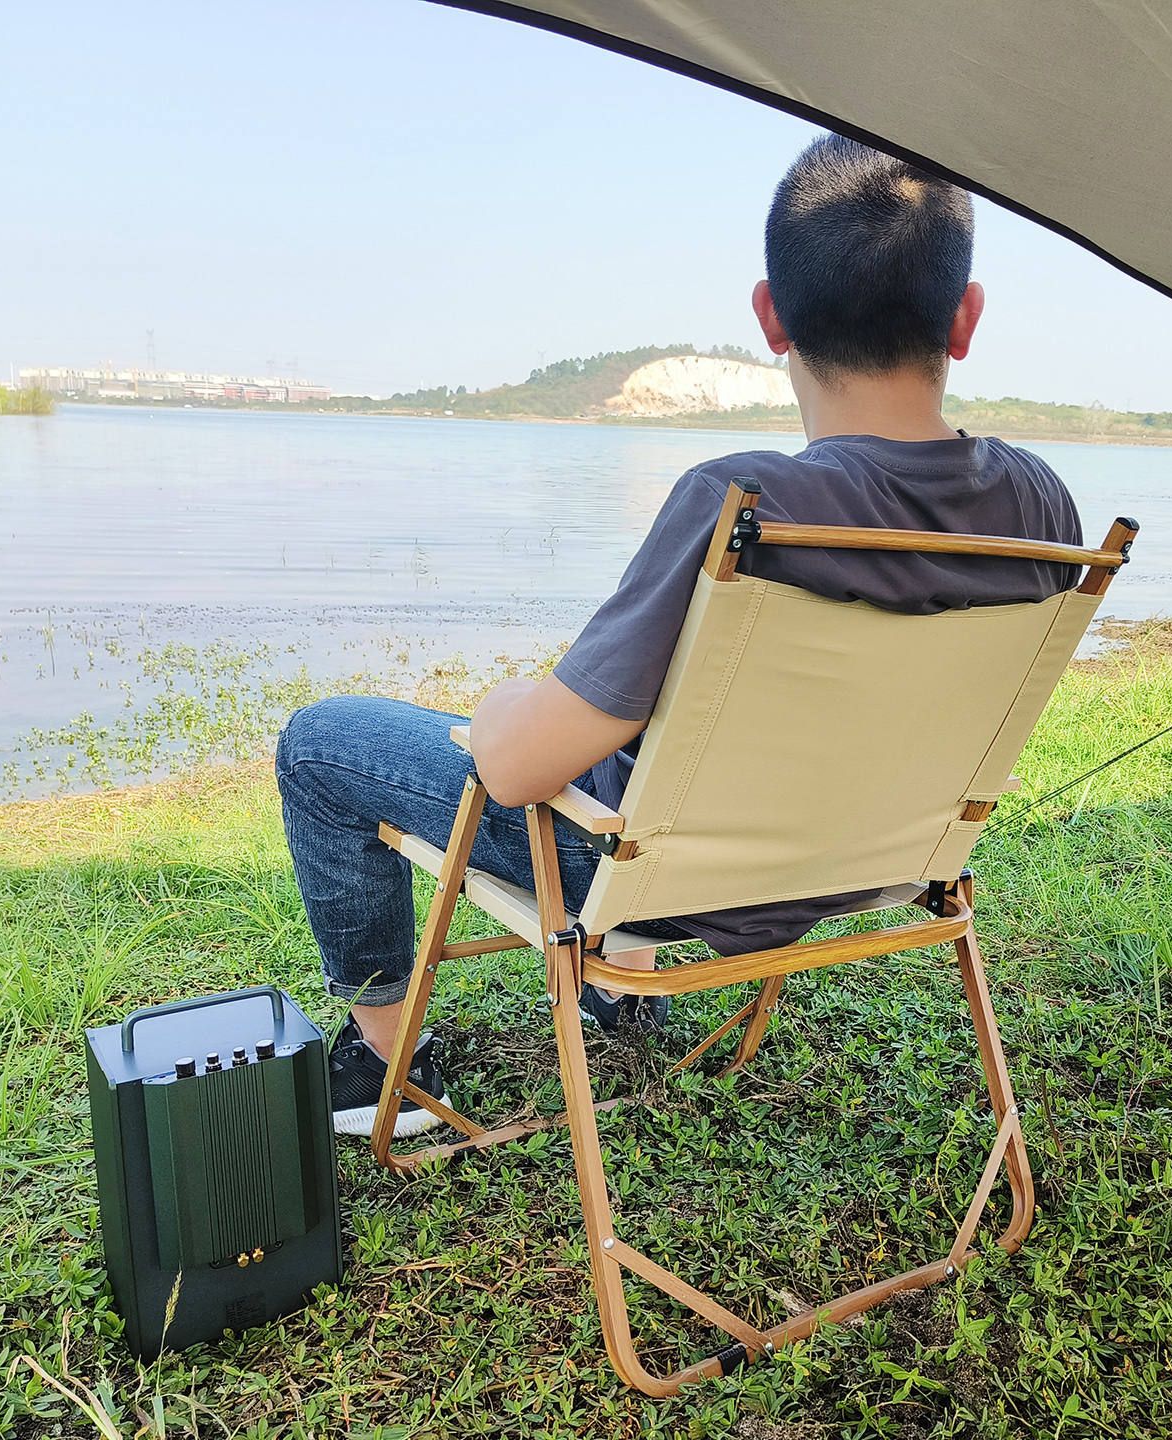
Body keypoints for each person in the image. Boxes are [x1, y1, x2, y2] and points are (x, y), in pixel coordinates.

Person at [277, 134, 1084, 1137]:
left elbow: (525, 769)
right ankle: (628, 994)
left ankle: (385, 1067)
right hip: (872, 863)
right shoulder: (1042, 503)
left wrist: (496, 716)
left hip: (660, 883)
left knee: (321, 744)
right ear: (964, 320)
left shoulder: (746, 502)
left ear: (770, 314)